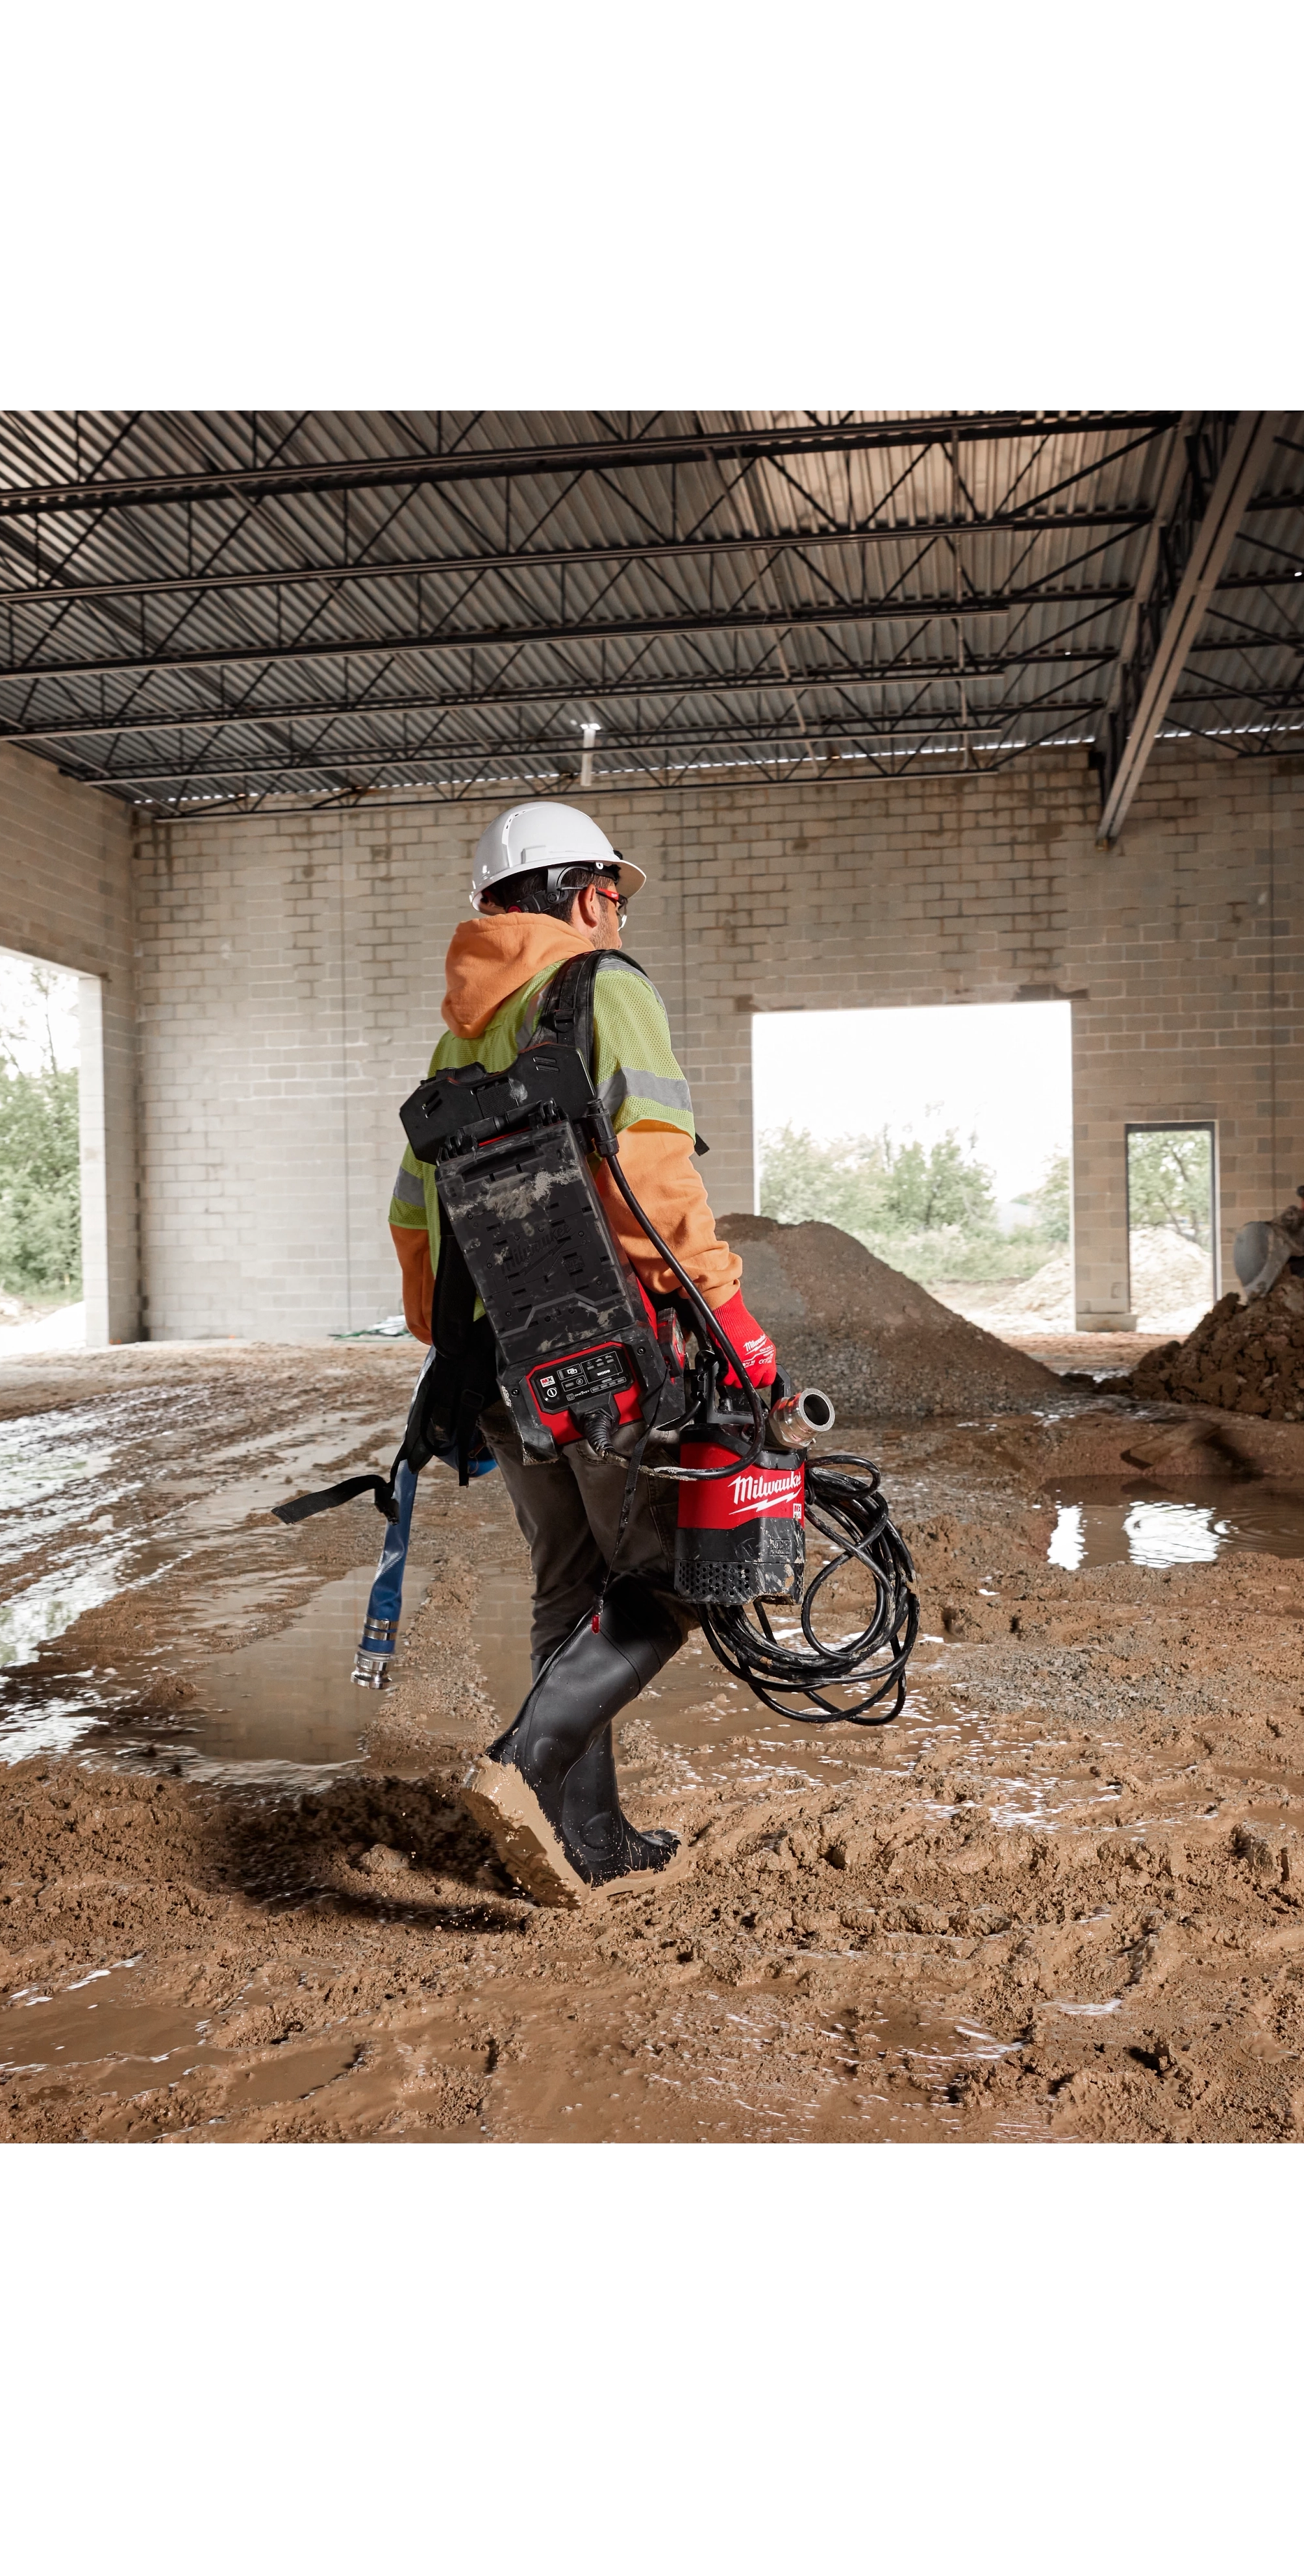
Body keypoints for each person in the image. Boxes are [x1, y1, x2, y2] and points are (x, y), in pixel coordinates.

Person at [388, 800, 776, 1899]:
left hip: (496, 1361)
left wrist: (461, 1345)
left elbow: (415, 1221)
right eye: (609, 891)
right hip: (612, 1352)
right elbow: (653, 1177)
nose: (616, 912)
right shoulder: (607, 989)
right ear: (575, 894)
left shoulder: (458, 1033)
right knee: (678, 1578)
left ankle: (586, 1844)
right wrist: (728, 1320)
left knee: (570, 1591)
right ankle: (526, 1763)